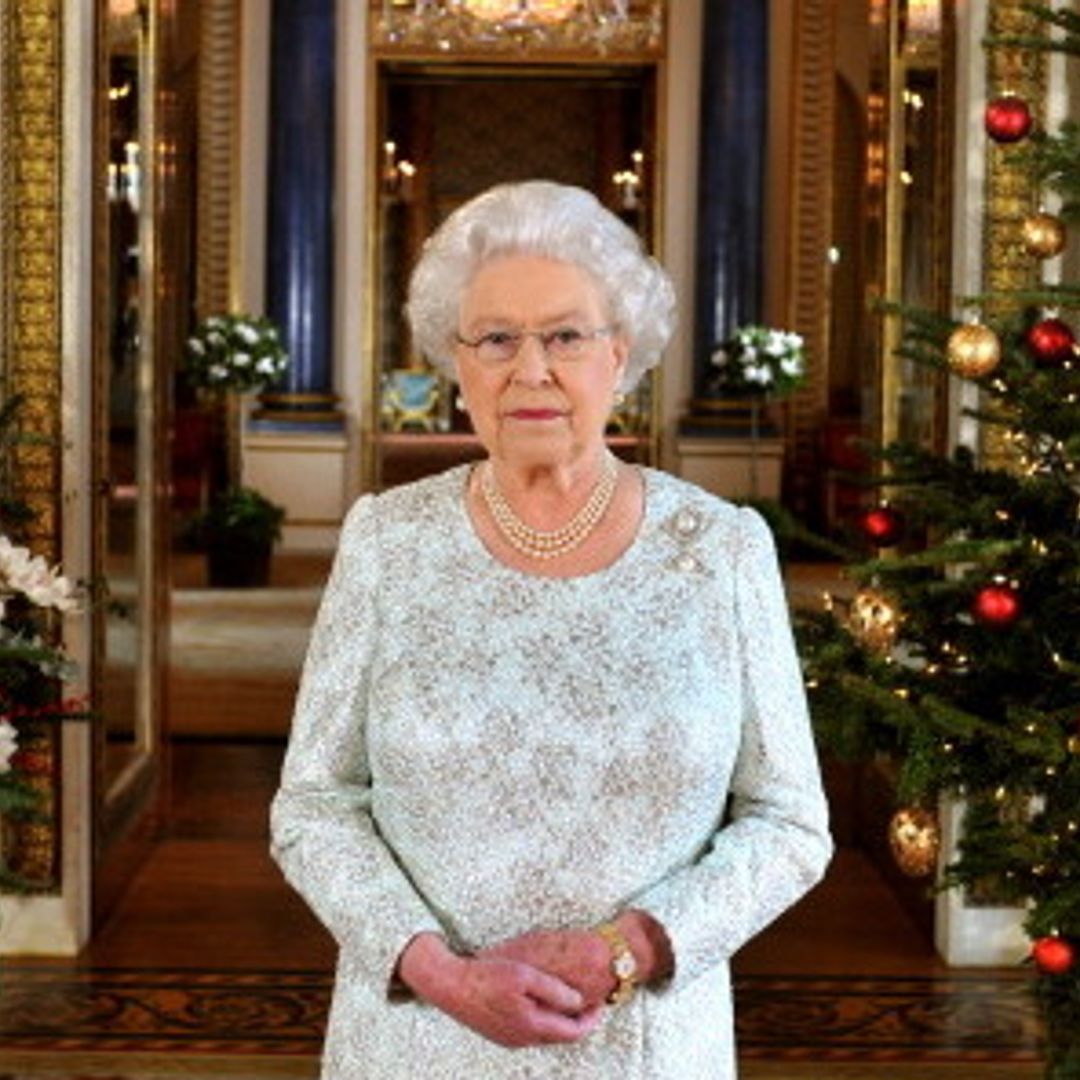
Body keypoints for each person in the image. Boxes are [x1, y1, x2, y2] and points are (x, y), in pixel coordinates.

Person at [270, 179, 832, 1078]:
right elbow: (314, 806)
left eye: (565, 336)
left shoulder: (722, 551)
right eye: (496, 339)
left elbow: (790, 823)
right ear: (457, 364)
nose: (531, 370)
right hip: (419, 1043)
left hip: (646, 1047)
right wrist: (437, 970)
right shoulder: (387, 540)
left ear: (622, 353)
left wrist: (635, 947)